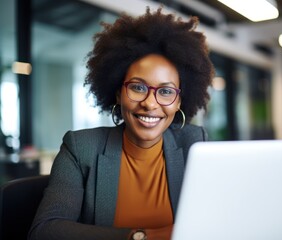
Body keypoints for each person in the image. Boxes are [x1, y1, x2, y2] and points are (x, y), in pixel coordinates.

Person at [28, 7, 214, 240]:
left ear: (179, 102)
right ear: (118, 92)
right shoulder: (81, 148)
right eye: (138, 87)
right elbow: (45, 231)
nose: (150, 103)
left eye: (165, 91)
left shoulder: (196, 145)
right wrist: (141, 237)